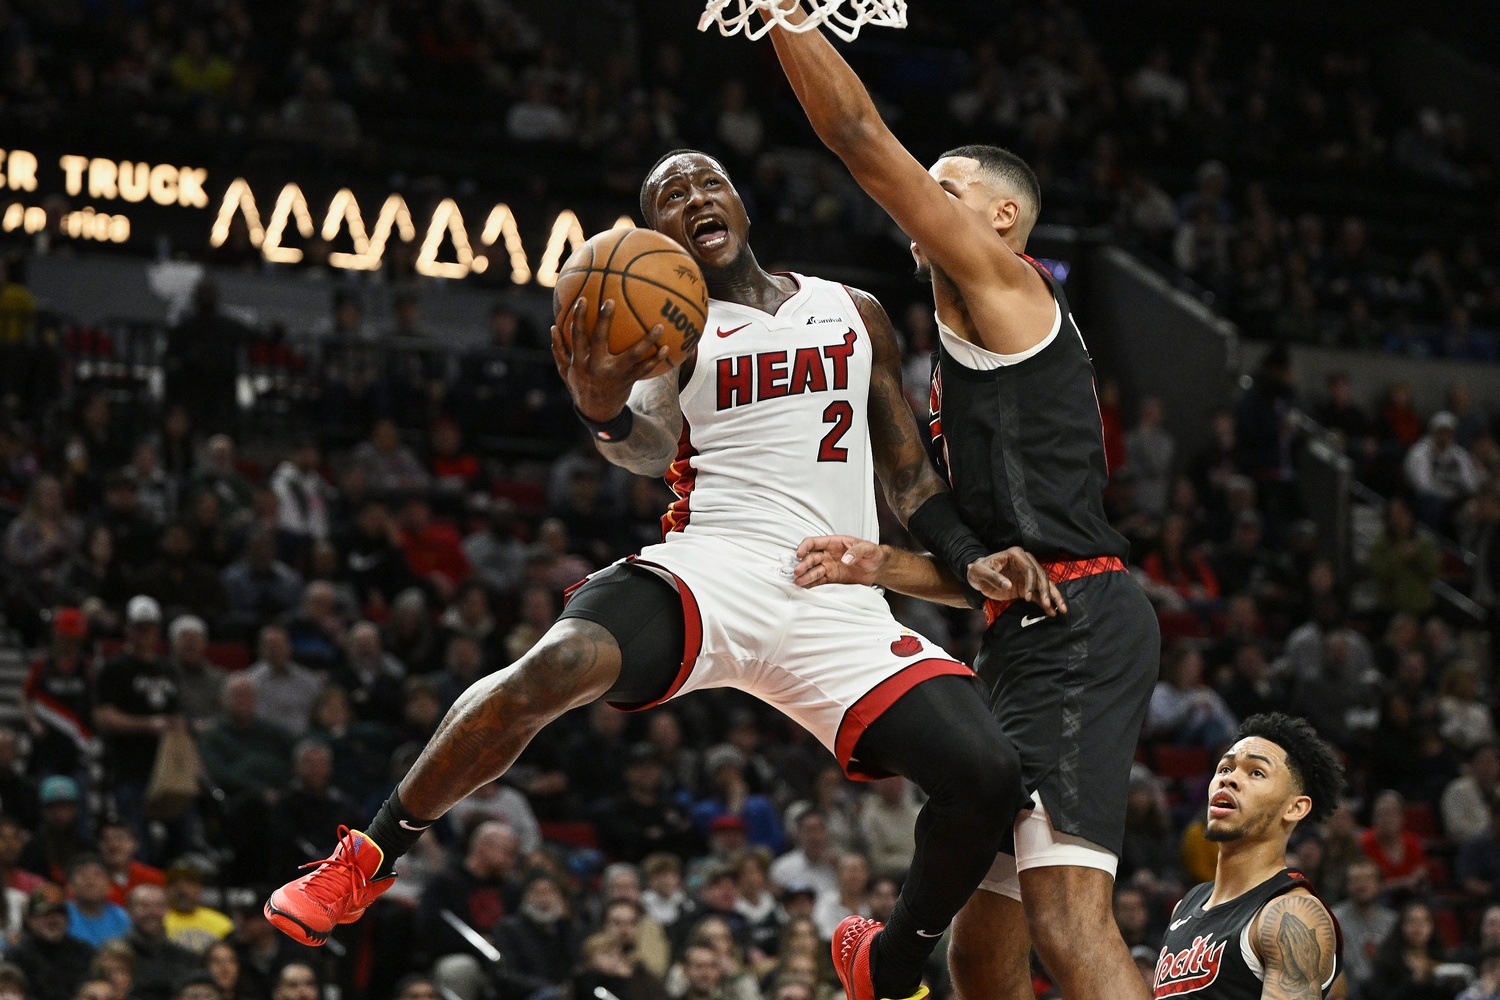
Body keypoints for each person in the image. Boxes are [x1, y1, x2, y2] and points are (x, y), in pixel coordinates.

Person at [266, 148, 1056, 1000]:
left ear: (739, 203)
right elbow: (647, 451)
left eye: (707, 182)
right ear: (658, 236)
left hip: (838, 598)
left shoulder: (850, 309)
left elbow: (907, 475)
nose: (693, 198)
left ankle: (889, 967)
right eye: (670, 196)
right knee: (555, 664)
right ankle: (367, 858)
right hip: (715, 567)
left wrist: (966, 555)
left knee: (989, 777)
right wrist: (601, 407)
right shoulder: (671, 327)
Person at [765, 16, 1160, 1000]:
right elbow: (991, 571)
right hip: (1027, 629)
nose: (921, 202)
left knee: (1068, 924)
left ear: (1002, 220)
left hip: (1079, 625)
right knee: (981, 953)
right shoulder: (964, 355)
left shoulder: (1009, 291)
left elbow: (859, 137)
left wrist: (784, 16)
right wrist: (879, 565)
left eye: (944, 189)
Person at [1152, 714, 1344, 998]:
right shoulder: (1185, 906)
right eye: (1225, 768)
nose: (1228, 779)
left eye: (1256, 772)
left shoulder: (1291, 912)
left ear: (1294, 808)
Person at [1332, 859, 1397, 993]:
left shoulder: (1393, 921)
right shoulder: (1333, 919)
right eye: (1356, 879)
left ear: (1380, 884)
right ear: (1347, 885)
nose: (1362, 885)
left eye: (1368, 878)